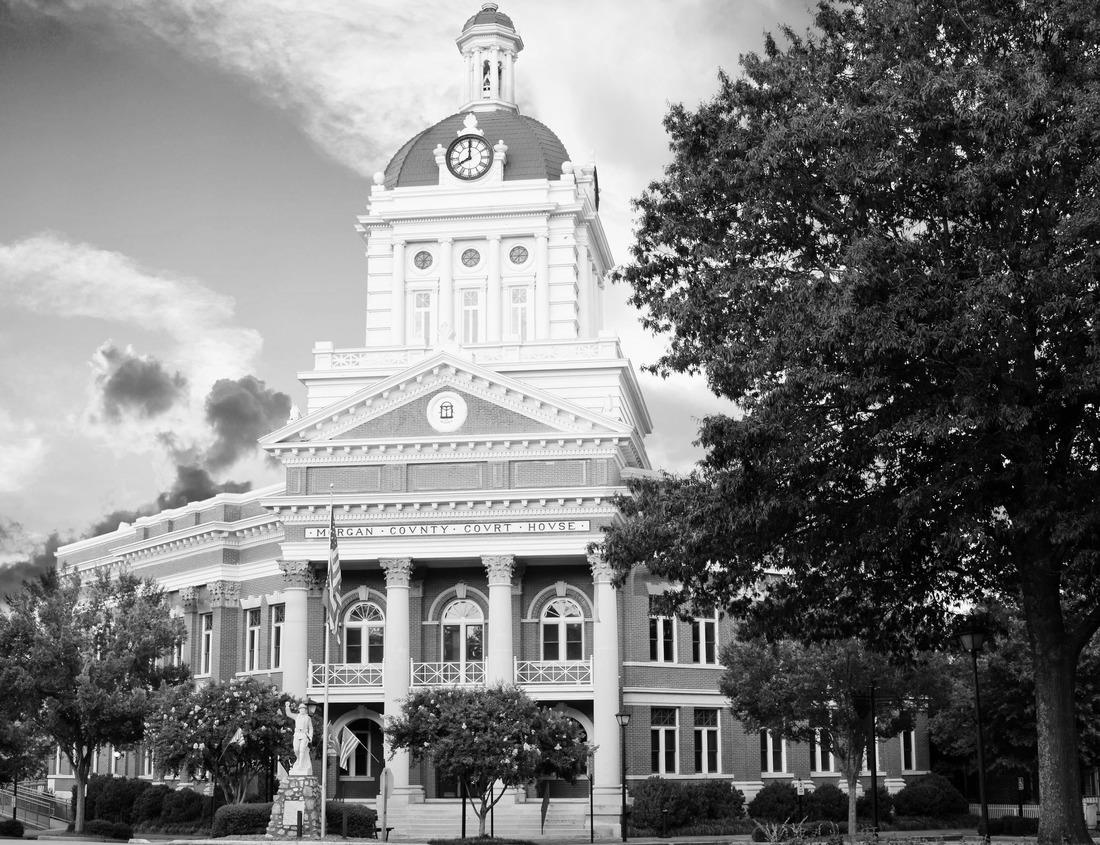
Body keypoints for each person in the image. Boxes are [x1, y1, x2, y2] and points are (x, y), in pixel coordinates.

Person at [285, 701, 313, 775]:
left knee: (302, 750)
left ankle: (300, 765)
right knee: (296, 749)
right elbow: (288, 714)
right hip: (297, 734)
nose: (302, 710)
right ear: (299, 710)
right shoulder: (296, 716)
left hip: (304, 734)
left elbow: (311, 728)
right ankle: (300, 760)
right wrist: (287, 706)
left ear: (305, 710)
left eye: (303, 709)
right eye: (300, 709)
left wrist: (310, 736)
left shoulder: (308, 718)